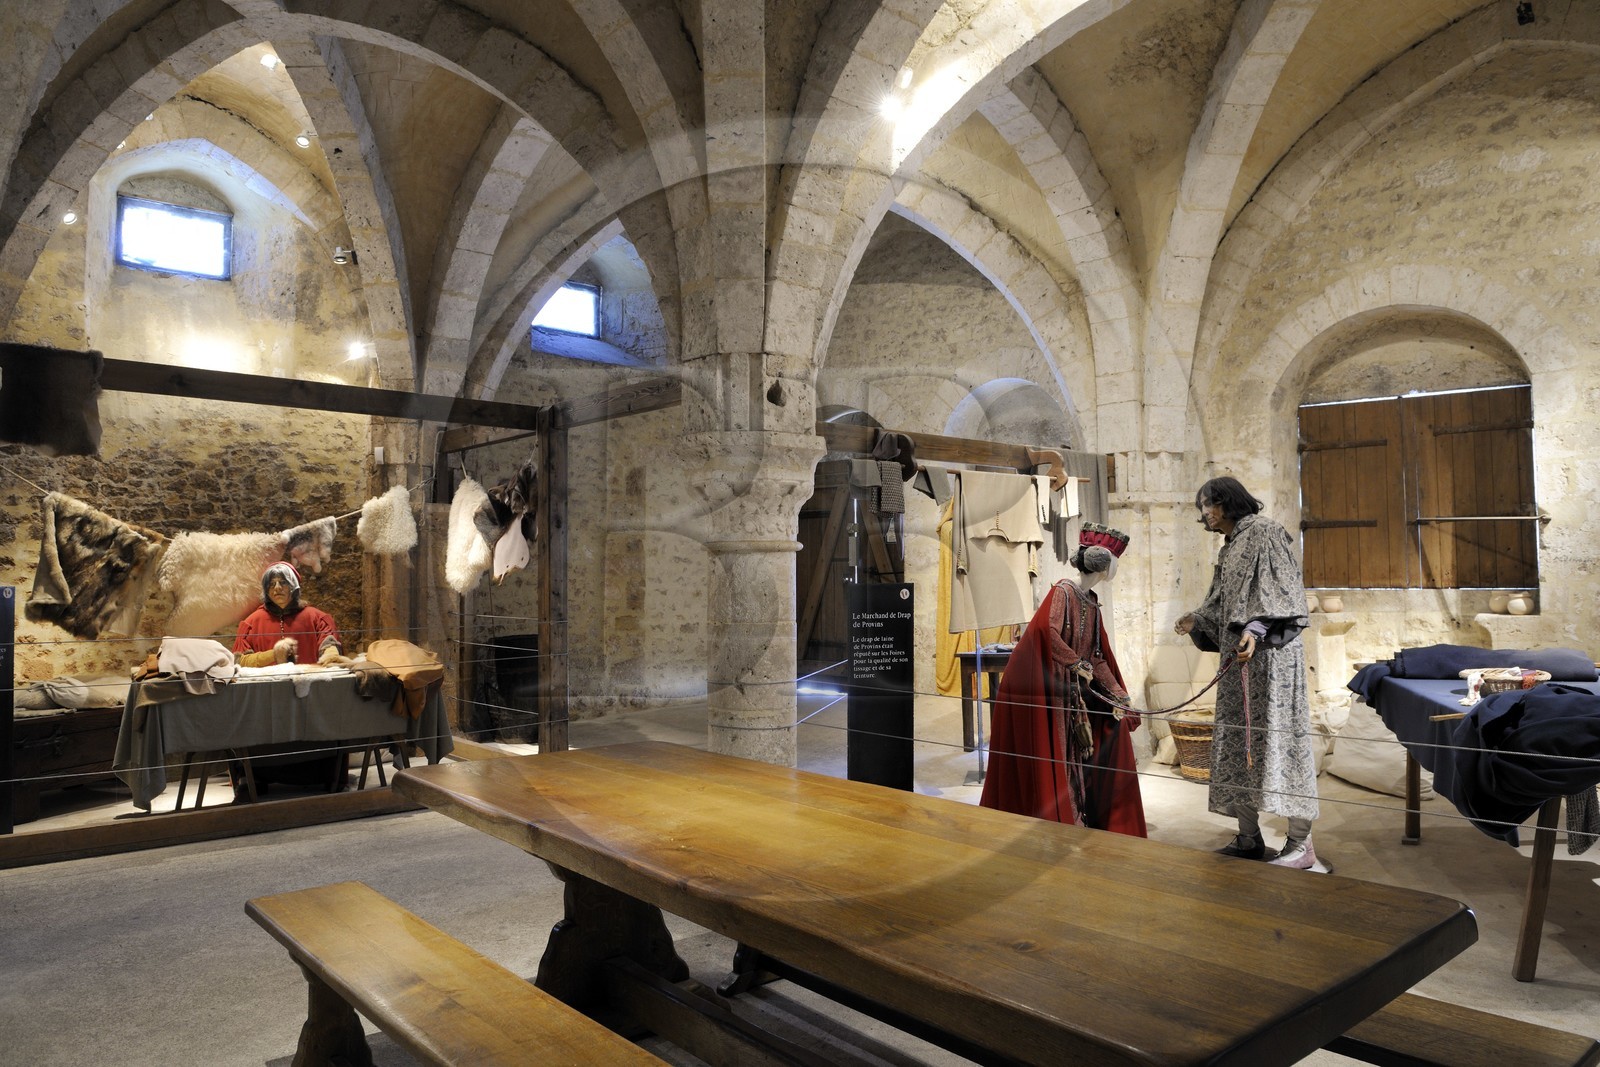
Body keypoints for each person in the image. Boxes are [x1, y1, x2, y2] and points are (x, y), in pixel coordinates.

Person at [1174, 476, 1323, 870]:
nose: (1204, 514)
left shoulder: (1266, 532)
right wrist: (1198, 619)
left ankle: (1300, 844)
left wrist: (1255, 629)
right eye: (1201, 507)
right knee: (1240, 747)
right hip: (1239, 666)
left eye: (1209, 504)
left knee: (1280, 746)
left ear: (1229, 502)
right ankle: (1249, 838)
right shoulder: (1232, 546)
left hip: (1272, 664)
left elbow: (1283, 593)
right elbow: (1222, 601)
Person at [980, 523, 1145, 836]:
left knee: (1075, 753)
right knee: (1055, 754)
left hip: (1070, 692)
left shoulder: (1091, 602)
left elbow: (1096, 656)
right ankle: (1059, 819)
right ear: (1105, 564)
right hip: (1044, 689)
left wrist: (1118, 693)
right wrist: (1076, 662)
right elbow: (1048, 633)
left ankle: (1077, 815)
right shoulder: (1063, 592)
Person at [234, 561, 343, 667]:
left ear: (293, 586)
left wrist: (330, 655)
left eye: (283, 582)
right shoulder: (251, 623)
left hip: (309, 681)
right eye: (271, 584)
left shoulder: (317, 618)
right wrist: (274, 654)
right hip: (267, 684)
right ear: (266, 590)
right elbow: (241, 662)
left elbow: (331, 649)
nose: (277, 588)